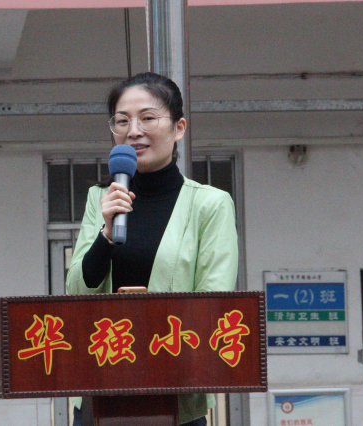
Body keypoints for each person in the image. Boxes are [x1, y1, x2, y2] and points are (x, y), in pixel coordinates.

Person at [66, 72, 238, 426]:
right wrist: (106, 234)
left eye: (147, 118)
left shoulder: (210, 204)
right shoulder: (100, 199)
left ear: (179, 128)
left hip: (175, 399)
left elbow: (213, 303)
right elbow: (75, 293)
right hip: (101, 396)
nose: (134, 131)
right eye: (122, 121)